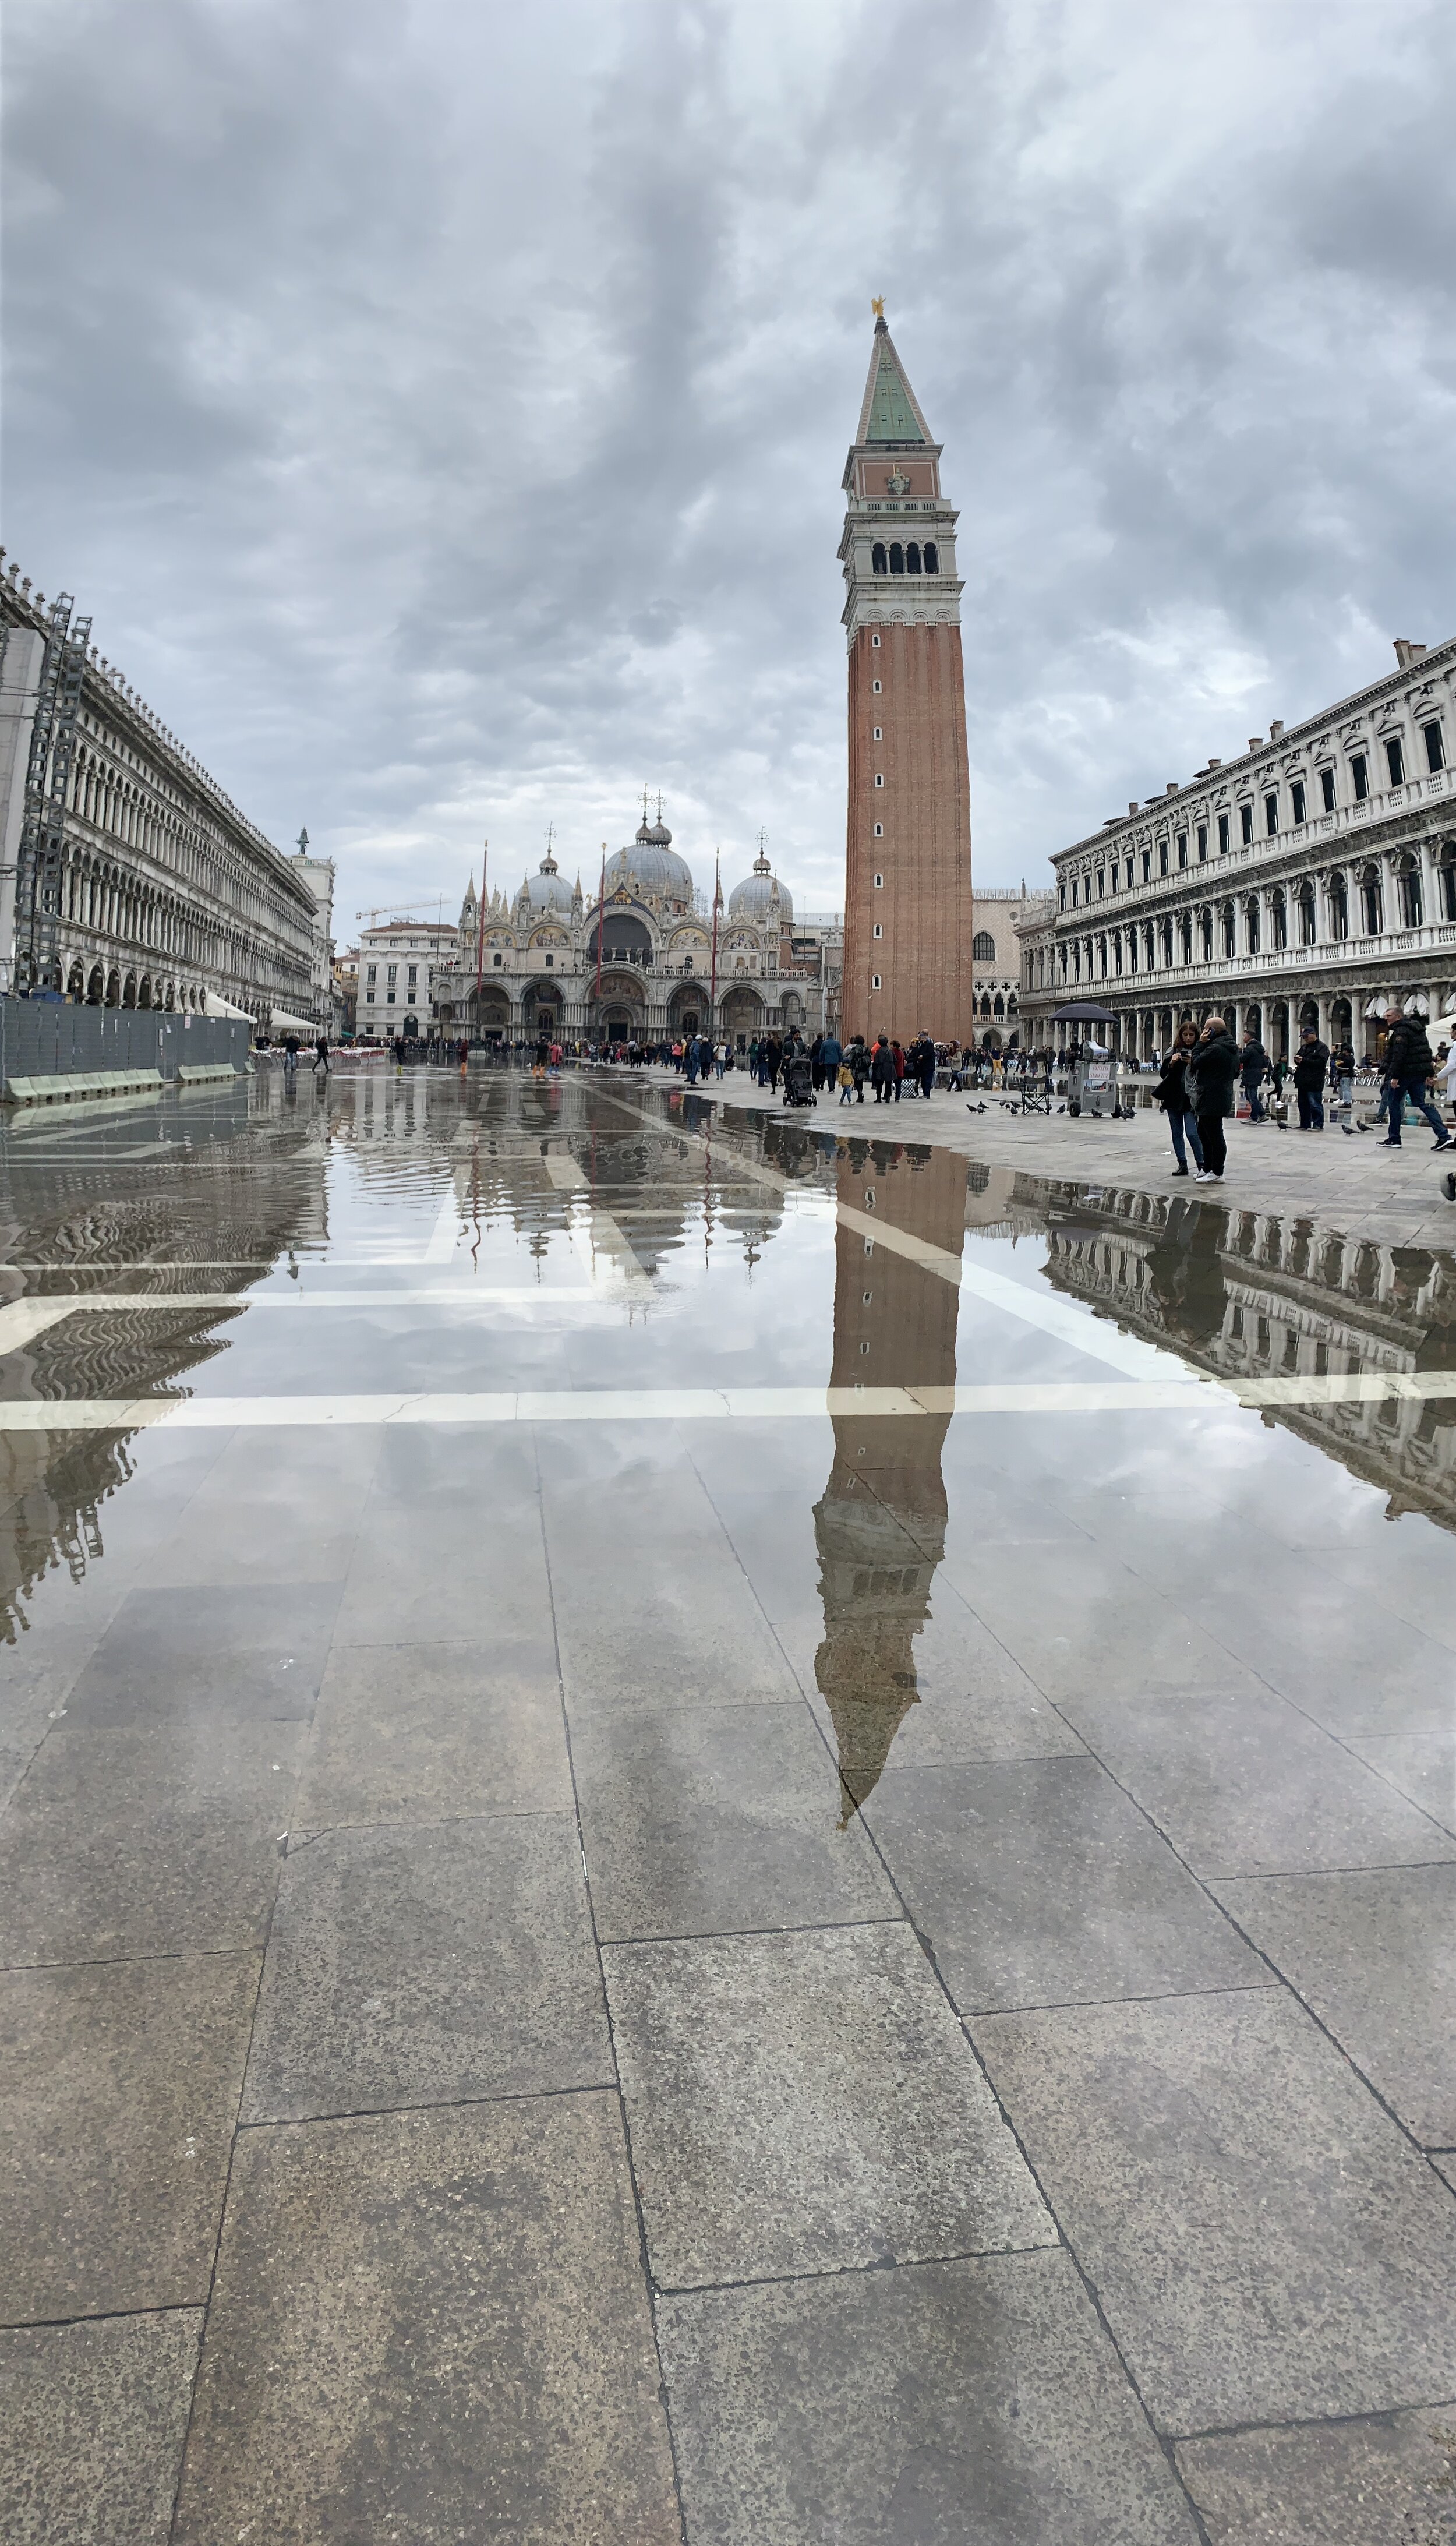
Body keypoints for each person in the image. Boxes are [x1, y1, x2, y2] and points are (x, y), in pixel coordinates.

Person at [1379, 1005, 1453, 1150]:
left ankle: (1394, 1138)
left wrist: (1395, 1077)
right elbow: (1426, 1053)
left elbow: (1398, 1056)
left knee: (1394, 1103)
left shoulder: (1401, 1032)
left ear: (1398, 1017)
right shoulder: (1418, 1031)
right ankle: (1444, 1136)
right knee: (1421, 1103)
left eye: (1389, 1016)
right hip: (1418, 1075)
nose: (1385, 1019)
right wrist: (1428, 1074)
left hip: (1404, 1075)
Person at [1185, 1012, 1238, 1181]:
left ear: (1213, 1031)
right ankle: (1207, 1168)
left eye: (1206, 1030)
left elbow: (1196, 1062)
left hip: (1212, 1096)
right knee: (1204, 1132)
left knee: (1214, 1135)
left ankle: (1217, 1172)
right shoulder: (1230, 1047)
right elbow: (1236, 1072)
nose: (1203, 1033)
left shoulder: (1216, 1048)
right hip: (1219, 1094)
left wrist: (1200, 1044)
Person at [1154, 1022, 1204, 1178]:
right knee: (1176, 1132)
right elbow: (1163, 1074)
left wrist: (1194, 1062)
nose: (1188, 1038)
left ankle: (1202, 1164)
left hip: (1190, 1098)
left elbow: (1205, 1074)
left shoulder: (1200, 1051)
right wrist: (1172, 1062)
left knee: (1192, 1133)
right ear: (1180, 1036)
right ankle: (1182, 1163)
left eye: (1191, 1035)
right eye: (1185, 1035)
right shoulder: (1173, 1051)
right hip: (1174, 1097)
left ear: (1196, 1036)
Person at [1291, 1023, 1330, 1130]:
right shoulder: (1304, 1047)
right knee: (1303, 1105)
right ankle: (1305, 1124)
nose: (1305, 1039)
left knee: (1315, 1104)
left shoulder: (1322, 1048)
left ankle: (1318, 1124)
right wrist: (1297, 1059)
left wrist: (1304, 1061)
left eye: (1306, 1036)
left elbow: (1321, 1063)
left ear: (1313, 1035)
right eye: (1303, 1037)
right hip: (1302, 1081)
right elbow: (1298, 1058)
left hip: (1314, 1081)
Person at [1238, 1026, 1267, 1122]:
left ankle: (1255, 1116)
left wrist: (1239, 1051)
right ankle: (1261, 1114)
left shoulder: (1250, 1048)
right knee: (1249, 1094)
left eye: (1245, 1036)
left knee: (1252, 1096)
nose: (1243, 1038)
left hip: (1250, 1074)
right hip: (1257, 1074)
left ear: (1250, 1037)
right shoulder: (1259, 1048)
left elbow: (1241, 1059)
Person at [870, 1036, 896, 1104]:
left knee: (879, 1084)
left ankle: (879, 1098)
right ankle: (888, 1098)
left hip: (881, 1068)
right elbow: (895, 1060)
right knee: (888, 1084)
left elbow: (876, 1061)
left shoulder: (879, 1051)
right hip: (890, 1069)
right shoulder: (890, 1050)